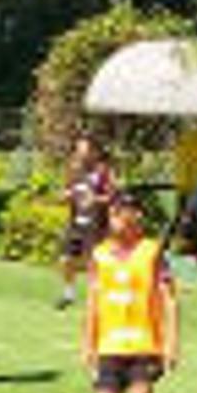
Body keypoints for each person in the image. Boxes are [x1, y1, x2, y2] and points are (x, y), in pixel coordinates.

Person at [80, 192, 179, 393]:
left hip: (146, 345)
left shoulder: (153, 252)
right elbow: (93, 301)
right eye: (114, 213)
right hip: (110, 345)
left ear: (138, 217)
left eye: (124, 212)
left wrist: (171, 343)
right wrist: (88, 342)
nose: (118, 219)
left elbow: (171, 300)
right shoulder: (99, 255)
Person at [55, 133, 116, 310]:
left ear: (94, 152)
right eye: (78, 150)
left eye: (85, 150)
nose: (81, 154)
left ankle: (96, 298)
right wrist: (65, 196)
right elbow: (65, 193)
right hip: (76, 223)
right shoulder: (73, 170)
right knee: (65, 259)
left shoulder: (104, 171)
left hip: (97, 225)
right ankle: (68, 294)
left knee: (94, 262)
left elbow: (112, 197)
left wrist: (96, 199)